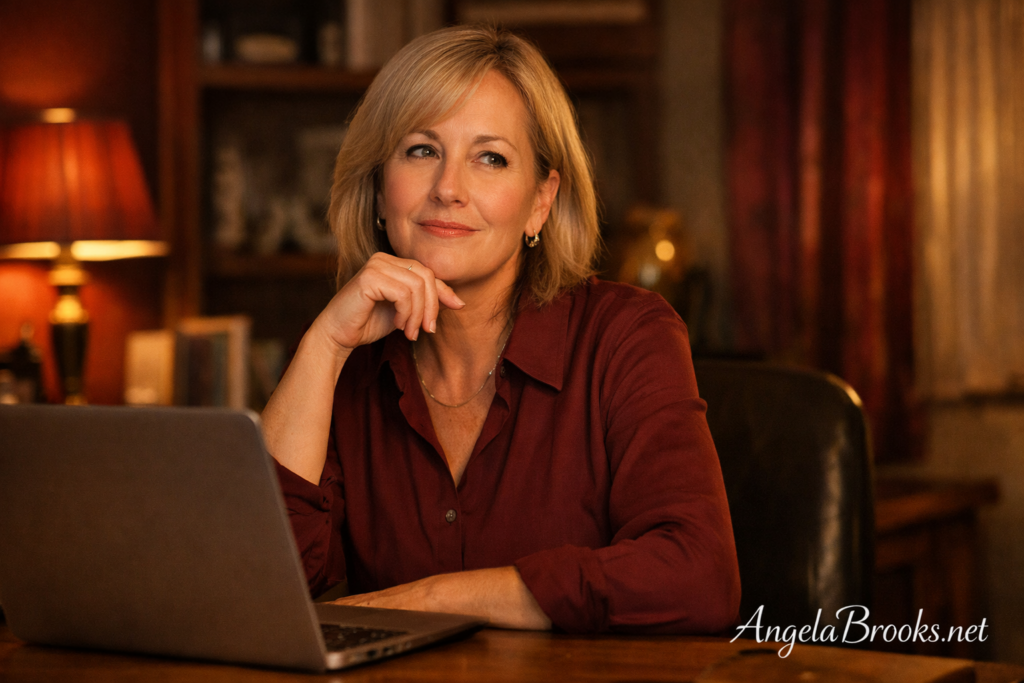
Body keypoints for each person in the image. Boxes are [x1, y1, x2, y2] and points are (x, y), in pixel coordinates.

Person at [261, 24, 740, 635]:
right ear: (381, 189)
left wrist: (432, 602)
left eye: (490, 158)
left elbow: (699, 579)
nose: (449, 189)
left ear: (541, 200)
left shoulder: (627, 336)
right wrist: (323, 346)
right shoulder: (349, 368)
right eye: (421, 150)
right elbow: (262, 592)